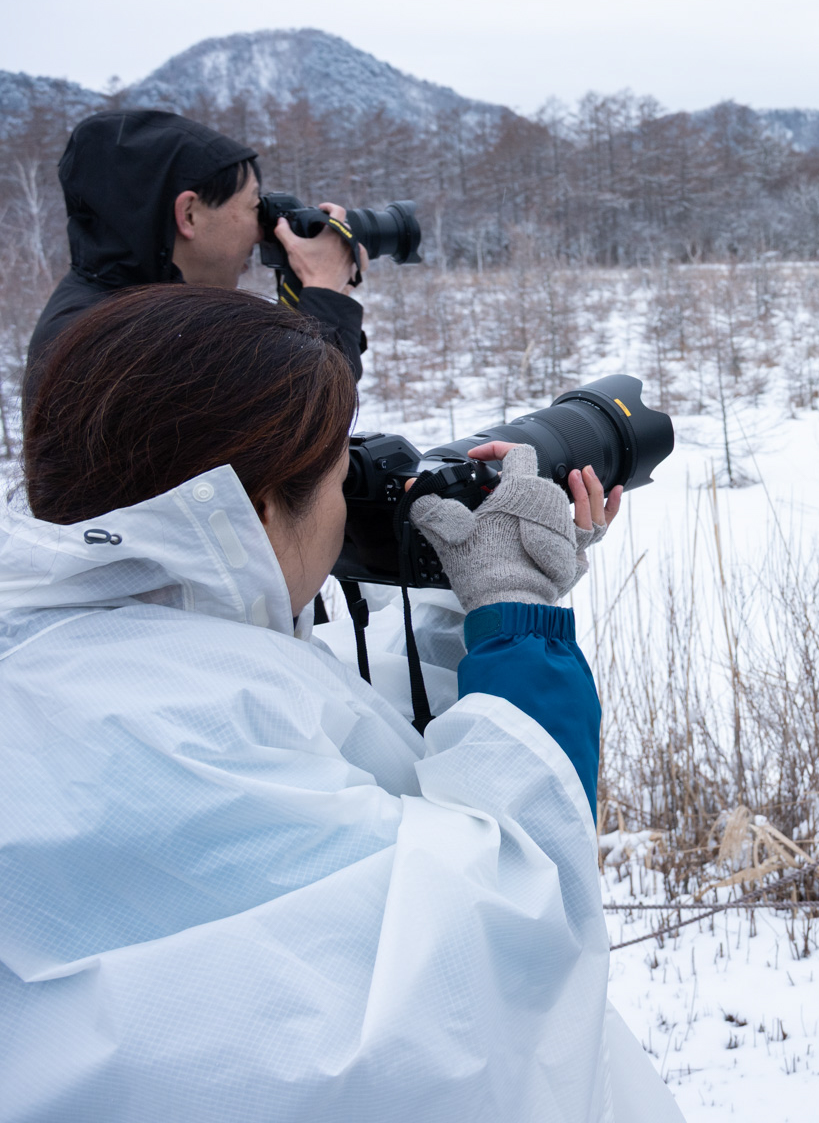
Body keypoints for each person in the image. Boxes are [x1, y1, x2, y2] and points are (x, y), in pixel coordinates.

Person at [0, 286, 681, 1122]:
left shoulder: (88, 641)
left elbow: (331, 751)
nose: (348, 499)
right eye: (334, 478)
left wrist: (473, 597)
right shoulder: (190, 723)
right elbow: (503, 935)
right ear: (248, 514)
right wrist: (523, 628)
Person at [21, 108, 368, 412]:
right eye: (252, 206)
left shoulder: (104, 308)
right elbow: (307, 420)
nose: (262, 232)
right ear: (188, 214)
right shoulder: (128, 342)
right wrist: (326, 288)